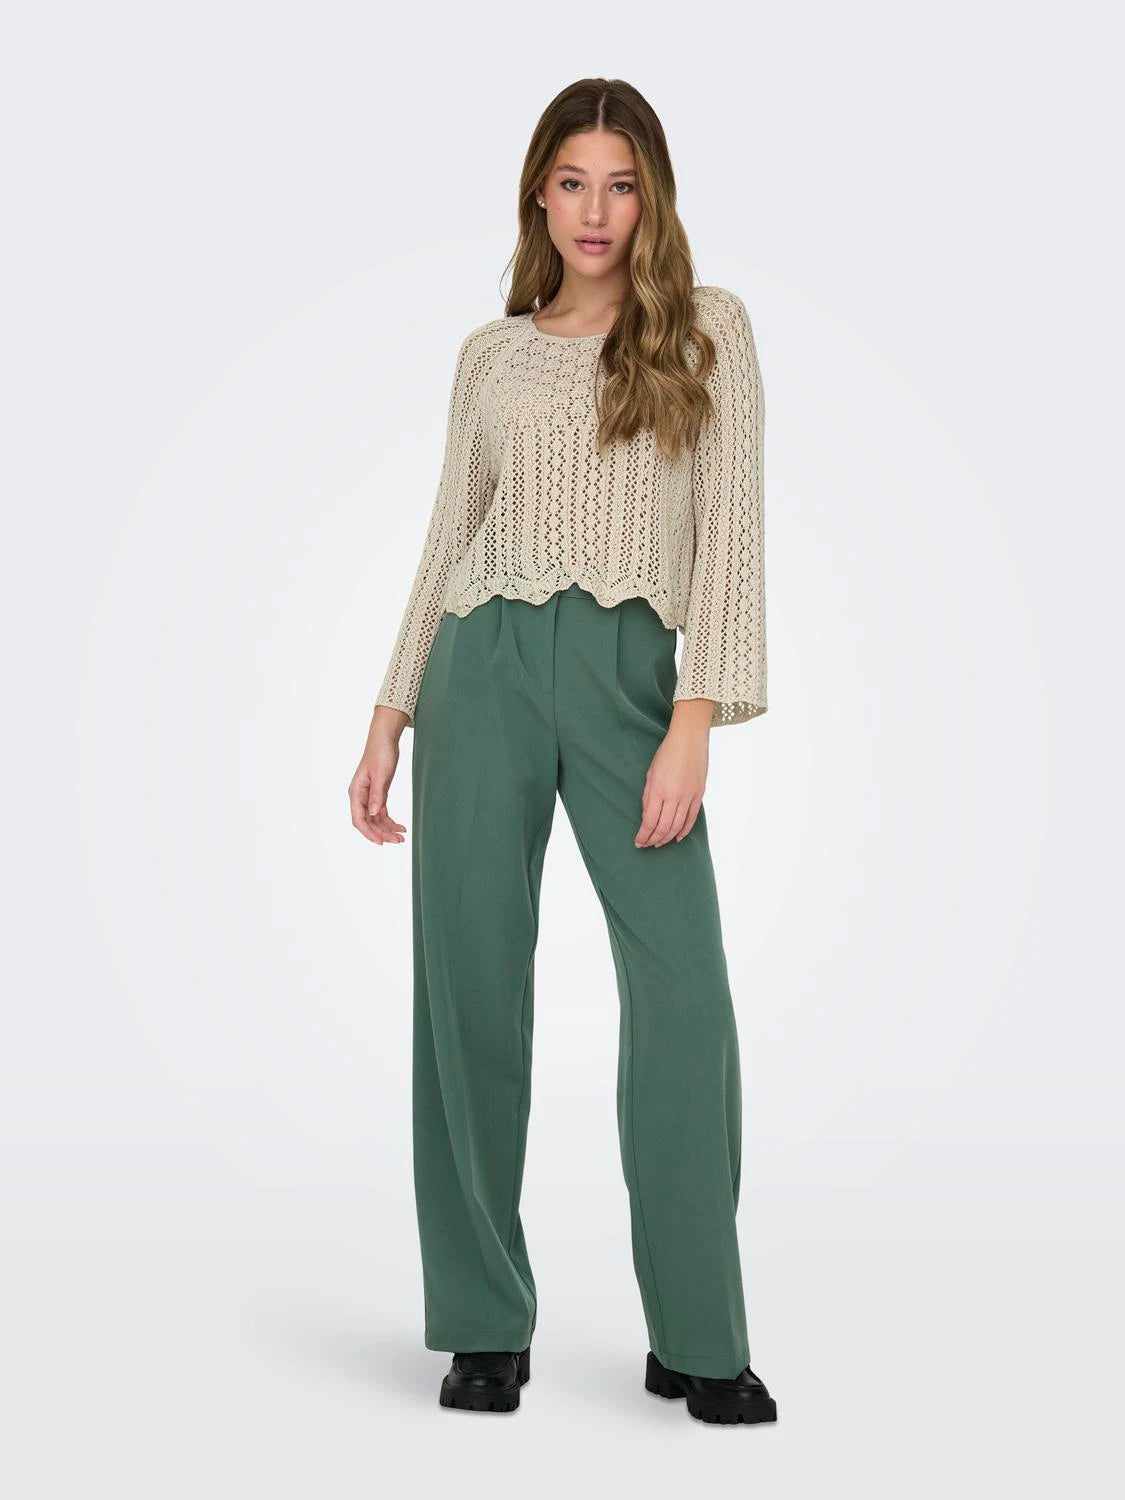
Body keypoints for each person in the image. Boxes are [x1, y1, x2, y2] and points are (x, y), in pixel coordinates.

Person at [349, 77, 777, 1427]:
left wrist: (695, 719)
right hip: (478, 668)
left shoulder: (706, 330)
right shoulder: (491, 355)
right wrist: (390, 711)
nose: (597, 210)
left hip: (630, 681)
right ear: (539, 193)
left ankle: (698, 1334)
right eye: (574, 181)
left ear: (653, 198)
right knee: (467, 988)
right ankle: (483, 1322)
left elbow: (734, 535)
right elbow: (448, 533)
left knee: (684, 997)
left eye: (623, 184)